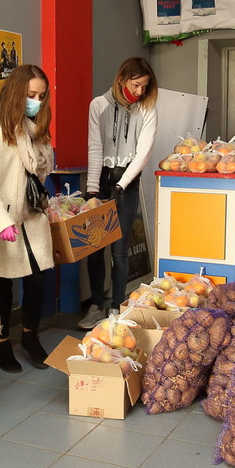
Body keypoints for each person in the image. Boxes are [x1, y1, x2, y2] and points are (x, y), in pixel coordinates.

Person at [0, 64, 55, 372]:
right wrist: (0, 220)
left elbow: (39, 171)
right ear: (17, 91)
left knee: (38, 276)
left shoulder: (34, 127)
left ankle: (30, 335)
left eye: (41, 96)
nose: (36, 101)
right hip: (0, 216)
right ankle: (1, 343)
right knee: (2, 282)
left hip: (30, 213)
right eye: (31, 94)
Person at [79, 57, 159, 329]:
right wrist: (92, 190)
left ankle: (116, 309)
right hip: (101, 180)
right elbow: (94, 147)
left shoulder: (147, 109)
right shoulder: (98, 105)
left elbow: (143, 154)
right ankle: (95, 306)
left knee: (119, 249)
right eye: (136, 85)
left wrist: (121, 185)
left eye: (144, 87)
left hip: (127, 181)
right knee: (94, 247)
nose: (140, 91)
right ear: (122, 79)